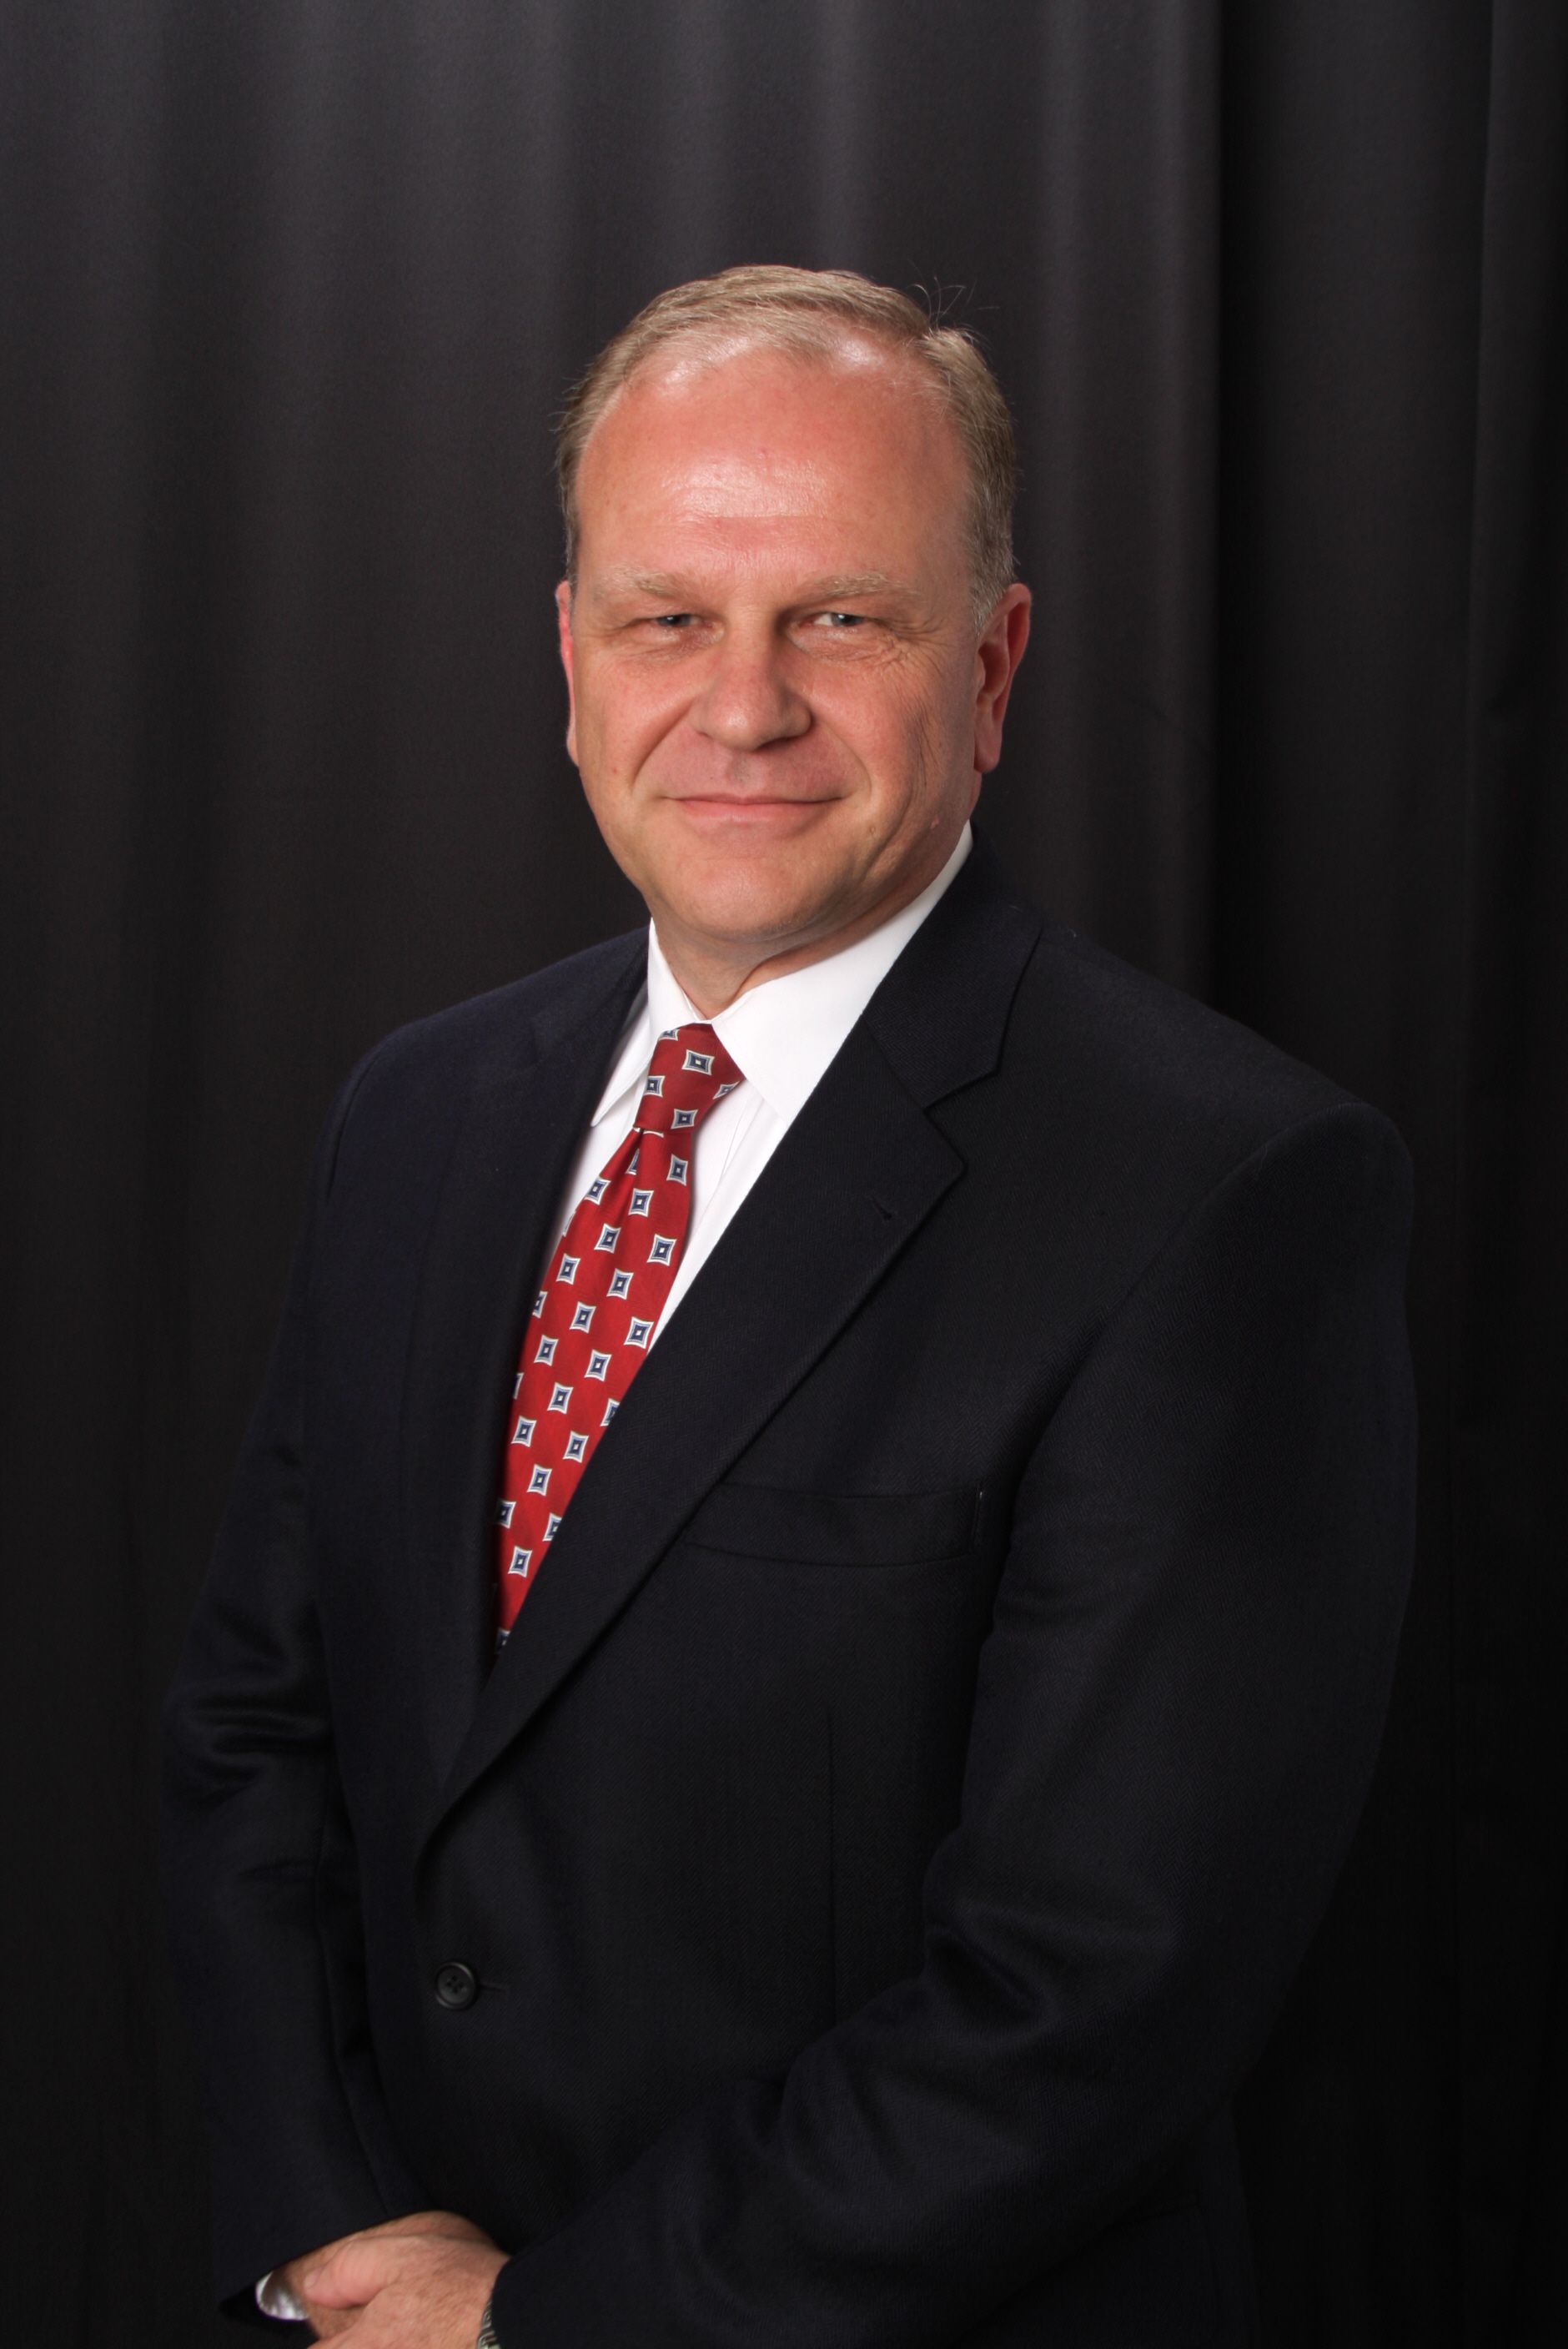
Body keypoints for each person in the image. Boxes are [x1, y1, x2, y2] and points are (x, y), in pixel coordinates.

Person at [162, 264, 1415, 2349]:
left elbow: (1087, 1989)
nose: (740, 705)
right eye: (668, 618)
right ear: (571, 658)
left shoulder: (1224, 1196)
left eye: (841, 617)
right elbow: (256, 1734)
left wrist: (536, 2324)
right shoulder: (422, 1110)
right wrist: (333, 2232)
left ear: (995, 667)